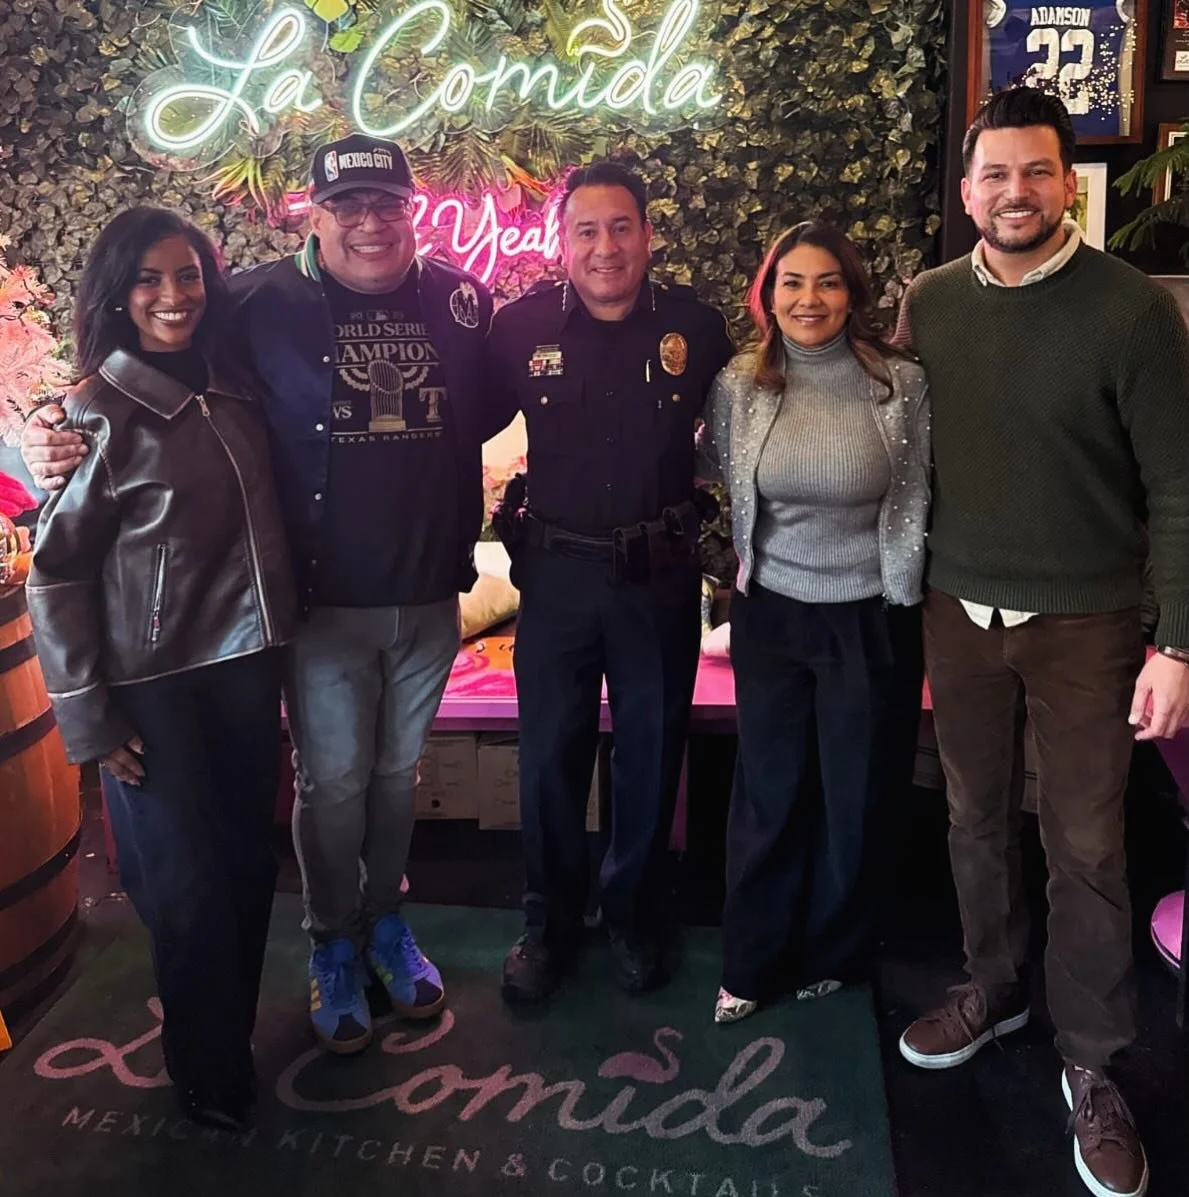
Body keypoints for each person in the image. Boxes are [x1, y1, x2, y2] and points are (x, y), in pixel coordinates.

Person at [21, 135, 498, 1055]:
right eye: (346, 206)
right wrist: (49, 428)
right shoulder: (248, 301)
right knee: (334, 784)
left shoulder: (460, 301)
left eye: (386, 204)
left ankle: (384, 921)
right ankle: (330, 939)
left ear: (412, 211)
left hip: (427, 593)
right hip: (314, 604)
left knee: (396, 778)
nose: (368, 223)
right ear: (313, 215)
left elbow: (493, 403)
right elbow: (144, 364)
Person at [894, 87, 1189, 1197]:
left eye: (1034, 171)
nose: (1013, 192)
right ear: (967, 191)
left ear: (1068, 183)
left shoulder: (1130, 311)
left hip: (1089, 623)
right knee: (972, 820)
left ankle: (1094, 1062)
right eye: (994, 175)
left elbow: (1177, 488)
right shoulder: (929, 304)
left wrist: (1178, 645)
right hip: (957, 611)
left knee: (1088, 847)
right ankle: (993, 986)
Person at [24, 207, 297, 1131]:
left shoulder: (235, 385)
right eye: (147, 278)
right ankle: (207, 1066)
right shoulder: (95, 413)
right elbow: (57, 574)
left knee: (246, 863)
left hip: (247, 664)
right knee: (183, 884)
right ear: (116, 293)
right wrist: (85, 715)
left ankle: (226, 1036)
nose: (172, 295)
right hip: (152, 685)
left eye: (187, 275)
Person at [486, 161, 734, 1003]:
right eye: (585, 230)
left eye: (620, 227)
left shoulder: (696, 328)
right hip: (555, 575)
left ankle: (632, 913)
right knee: (548, 757)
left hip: (656, 578)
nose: (604, 247)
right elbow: (455, 423)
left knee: (649, 755)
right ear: (561, 242)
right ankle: (547, 922)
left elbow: (746, 429)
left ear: (647, 235)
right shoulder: (517, 327)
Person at [699, 221, 929, 1024]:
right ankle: (751, 960)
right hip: (771, 613)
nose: (808, 298)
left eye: (826, 281)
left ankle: (836, 952)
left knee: (854, 794)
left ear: (851, 292)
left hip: (869, 616)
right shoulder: (739, 383)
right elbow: (714, 472)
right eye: (791, 282)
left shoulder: (898, 384)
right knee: (768, 792)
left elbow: (920, 488)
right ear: (768, 295)